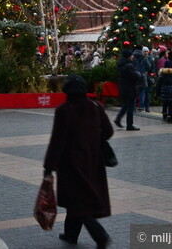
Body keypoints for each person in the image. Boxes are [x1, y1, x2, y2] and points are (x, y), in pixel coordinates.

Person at [43, 75, 113, 249]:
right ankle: (71, 234)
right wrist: (94, 140)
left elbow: (57, 140)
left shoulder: (64, 110)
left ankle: (100, 235)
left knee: (78, 202)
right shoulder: (96, 107)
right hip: (93, 161)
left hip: (70, 163)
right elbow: (109, 131)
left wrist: (49, 167)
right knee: (77, 198)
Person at [114, 49, 141, 131]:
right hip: (130, 88)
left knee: (126, 105)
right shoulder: (129, 65)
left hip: (123, 87)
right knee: (130, 107)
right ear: (129, 56)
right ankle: (129, 125)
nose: (132, 56)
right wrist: (138, 74)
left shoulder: (121, 64)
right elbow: (134, 76)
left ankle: (118, 119)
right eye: (131, 55)